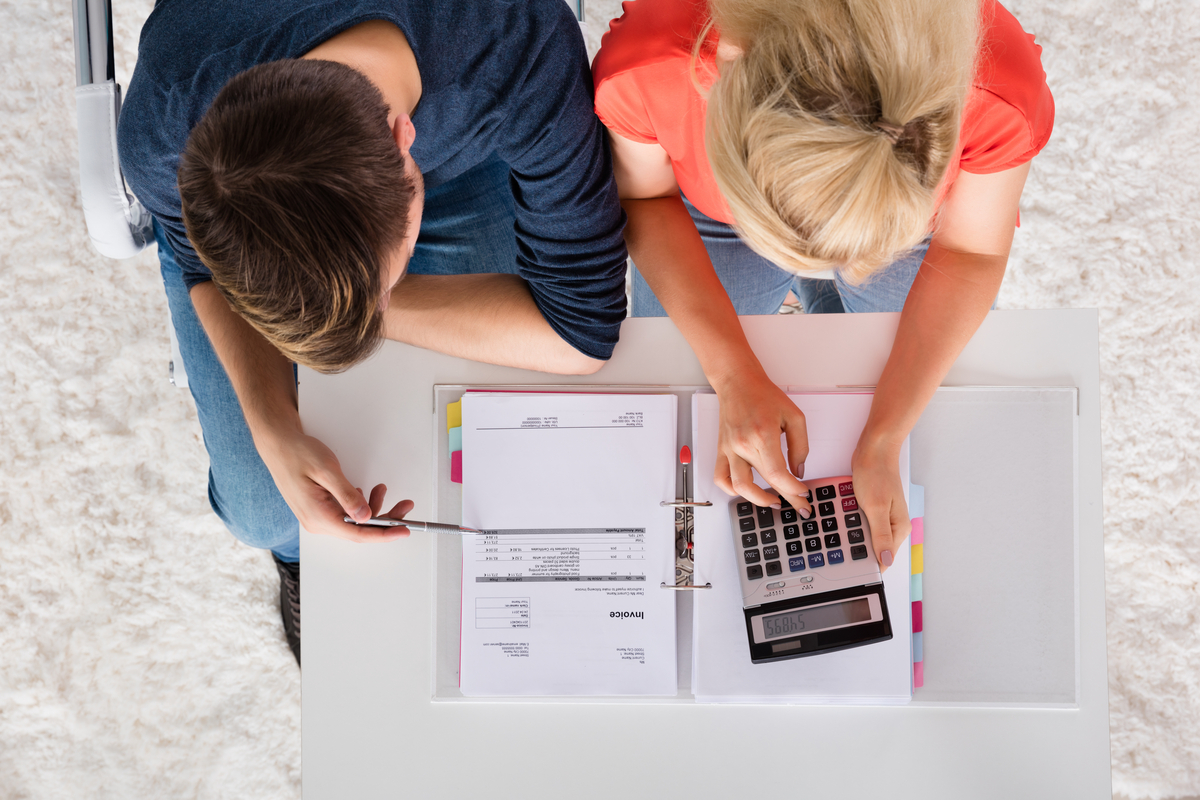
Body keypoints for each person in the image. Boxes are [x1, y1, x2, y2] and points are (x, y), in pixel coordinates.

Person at [117, 0, 628, 665]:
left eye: (387, 281)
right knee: (262, 506)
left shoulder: (510, 37)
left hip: (476, 156)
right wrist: (273, 427)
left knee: (473, 449)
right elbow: (196, 259)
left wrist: (346, 306)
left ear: (401, 137)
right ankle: (300, 557)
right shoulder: (166, 123)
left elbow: (582, 327)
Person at [593, 0, 1053, 568]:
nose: (812, 268)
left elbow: (971, 250)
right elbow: (646, 197)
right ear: (721, 83)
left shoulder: (996, 87)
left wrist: (886, 435)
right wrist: (731, 371)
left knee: (942, 410)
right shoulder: (646, 67)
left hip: (916, 225)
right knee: (677, 385)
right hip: (706, 212)